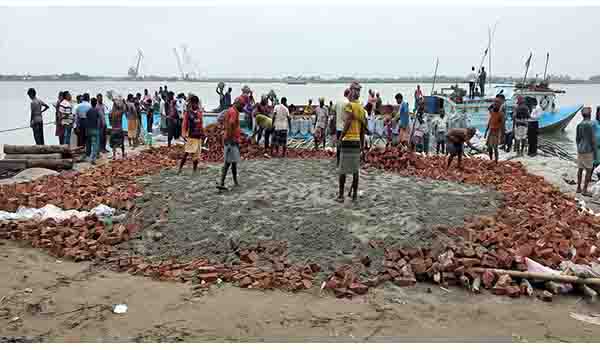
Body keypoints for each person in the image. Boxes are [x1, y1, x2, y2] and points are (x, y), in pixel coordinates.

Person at [337, 82, 366, 203]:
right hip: (357, 141)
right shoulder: (361, 109)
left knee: (342, 170)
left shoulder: (349, 106)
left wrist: (341, 137)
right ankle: (354, 195)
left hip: (348, 140)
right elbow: (363, 129)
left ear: (351, 92)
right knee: (355, 171)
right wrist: (362, 144)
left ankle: (341, 195)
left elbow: (348, 121)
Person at [218, 98, 243, 190]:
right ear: (237, 104)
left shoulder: (231, 110)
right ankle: (222, 182)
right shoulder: (233, 112)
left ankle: (234, 181)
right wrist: (230, 138)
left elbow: (226, 123)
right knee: (228, 163)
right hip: (231, 141)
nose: (243, 107)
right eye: (242, 105)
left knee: (233, 162)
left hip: (231, 140)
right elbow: (231, 124)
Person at [178, 95, 204, 174]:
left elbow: (201, 124)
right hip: (191, 136)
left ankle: (194, 170)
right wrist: (183, 134)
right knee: (186, 153)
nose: (195, 105)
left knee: (196, 156)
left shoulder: (199, 113)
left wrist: (203, 133)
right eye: (194, 103)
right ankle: (180, 169)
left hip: (198, 136)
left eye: (196, 103)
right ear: (192, 103)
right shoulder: (188, 113)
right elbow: (184, 124)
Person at [576, 107, 596, 196]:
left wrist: (578, 147)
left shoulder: (579, 124)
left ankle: (578, 188)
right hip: (588, 150)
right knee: (589, 170)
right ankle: (584, 190)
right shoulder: (591, 124)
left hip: (580, 149)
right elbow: (593, 140)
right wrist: (595, 152)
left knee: (580, 169)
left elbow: (577, 139)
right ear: (590, 114)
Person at [484, 97, 505, 164]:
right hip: (491, 131)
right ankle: (491, 159)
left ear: (499, 106)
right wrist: (486, 131)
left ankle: (496, 161)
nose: (495, 105)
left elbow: (502, 125)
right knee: (489, 147)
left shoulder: (501, 114)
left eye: (497, 104)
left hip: (496, 132)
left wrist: (502, 135)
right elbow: (489, 121)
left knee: (495, 148)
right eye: (494, 104)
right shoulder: (492, 112)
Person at [334, 89, 350, 166]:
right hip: (345, 128)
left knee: (338, 145)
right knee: (345, 146)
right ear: (349, 94)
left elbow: (334, 112)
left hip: (338, 127)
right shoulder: (347, 103)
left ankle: (338, 161)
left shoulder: (338, 101)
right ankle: (344, 162)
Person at [85, 97, 101, 164]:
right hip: (95, 129)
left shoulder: (88, 111)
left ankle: (89, 156)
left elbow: (87, 120)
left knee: (91, 143)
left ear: (91, 103)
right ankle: (92, 158)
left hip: (89, 129)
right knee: (95, 145)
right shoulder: (97, 110)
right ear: (96, 103)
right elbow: (98, 120)